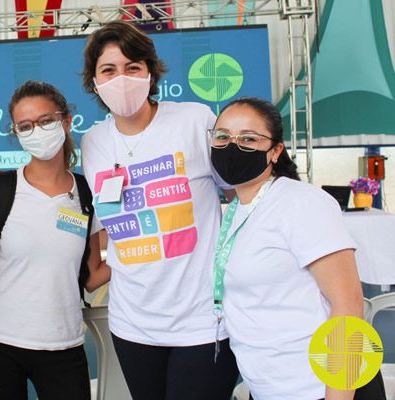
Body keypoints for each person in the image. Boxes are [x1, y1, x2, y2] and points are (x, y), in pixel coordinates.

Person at [80, 21, 239, 399]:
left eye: (132, 67)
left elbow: (238, 194)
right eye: (109, 70)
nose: (121, 78)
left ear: (150, 72)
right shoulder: (94, 142)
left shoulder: (194, 120)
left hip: (203, 320)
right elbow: (109, 222)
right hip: (133, 323)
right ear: (94, 80)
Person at [210, 96, 385, 400]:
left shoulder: (302, 203)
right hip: (272, 387)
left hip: (322, 387)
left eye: (248, 138)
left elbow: (348, 306)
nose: (232, 146)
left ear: (275, 150)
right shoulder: (238, 209)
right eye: (223, 136)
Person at [0, 80, 110, 400]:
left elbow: (93, 277)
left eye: (46, 120)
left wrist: (146, 249)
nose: (38, 130)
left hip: (64, 345)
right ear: (16, 134)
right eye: (25, 125)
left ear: (66, 121)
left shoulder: (87, 196)